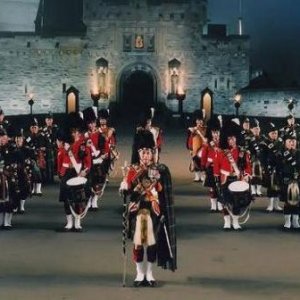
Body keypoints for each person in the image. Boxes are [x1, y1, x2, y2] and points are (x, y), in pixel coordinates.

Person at [119, 130, 176, 287]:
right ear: (138, 153)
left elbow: (162, 191)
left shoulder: (159, 170)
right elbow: (127, 188)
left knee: (152, 243)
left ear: (153, 153)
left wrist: (157, 184)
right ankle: (139, 273)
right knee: (138, 242)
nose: (145, 156)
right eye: (143, 152)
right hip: (137, 208)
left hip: (153, 207)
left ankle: (149, 273)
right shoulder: (132, 169)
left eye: (148, 152)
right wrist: (124, 186)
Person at [214, 119, 252, 230]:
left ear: (237, 138)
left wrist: (246, 175)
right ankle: (226, 222)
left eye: (233, 138)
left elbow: (247, 166)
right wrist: (216, 179)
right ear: (226, 139)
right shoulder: (220, 152)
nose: (231, 140)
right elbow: (216, 166)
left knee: (236, 202)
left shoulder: (242, 152)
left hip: (237, 178)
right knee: (224, 201)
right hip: (225, 179)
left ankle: (235, 222)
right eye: (229, 138)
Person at [57, 113, 92, 232]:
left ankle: (77, 222)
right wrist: (61, 173)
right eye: (72, 131)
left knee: (78, 199)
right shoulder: (65, 146)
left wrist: (84, 171)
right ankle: (69, 222)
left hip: (78, 173)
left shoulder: (83, 145)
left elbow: (88, 161)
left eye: (76, 131)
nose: (75, 133)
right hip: (67, 173)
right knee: (66, 198)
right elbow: (60, 161)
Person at [276, 131, 300, 229]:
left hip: (298, 180)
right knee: (287, 201)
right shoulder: (280, 153)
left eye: (294, 140)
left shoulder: (299, 153)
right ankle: (287, 221)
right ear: (285, 142)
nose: (292, 142)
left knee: (298, 201)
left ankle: (295, 220)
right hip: (286, 180)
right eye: (290, 140)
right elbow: (278, 168)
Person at [201, 116, 223, 212]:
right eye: (214, 132)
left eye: (217, 132)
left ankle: (220, 204)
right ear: (211, 132)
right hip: (210, 167)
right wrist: (203, 166)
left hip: (221, 169)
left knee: (221, 188)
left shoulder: (223, 143)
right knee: (212, 188)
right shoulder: (208, 143)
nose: (215, 134)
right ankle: (213, 206)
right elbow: (204, 155)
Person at [261, 122, 283, 212]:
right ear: (269, 134)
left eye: (276, 133)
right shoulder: (264, 143)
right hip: (270, 167)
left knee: (279, 187)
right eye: (272, 133)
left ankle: (276, 205)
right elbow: (262, 157)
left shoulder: (281, 142)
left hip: (279, 167)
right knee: (270, 187)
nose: (274, 134)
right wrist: (264, 168)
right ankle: (270, 205)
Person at [186, 109, 207, 182]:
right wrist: (190, 148)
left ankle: (202, 175)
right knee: (195, 161)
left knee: (202, 161)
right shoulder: (192, 129)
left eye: (201, 120)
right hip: (195, 148)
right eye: (198, 120)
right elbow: (189, 139)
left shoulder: (205, 128)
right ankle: (197, 176)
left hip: (202, 148)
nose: (199, 122)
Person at [41, 112, 58, 183]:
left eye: (50, 119)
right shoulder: (42, 129)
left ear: (52, 120)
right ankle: (48, 177)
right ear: (45, 120)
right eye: (48, 119)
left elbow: (57, 138)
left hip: (54, 148)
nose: (49, 121)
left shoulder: (56, 128)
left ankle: (52, 176)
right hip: (46, 149)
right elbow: (42, 140)